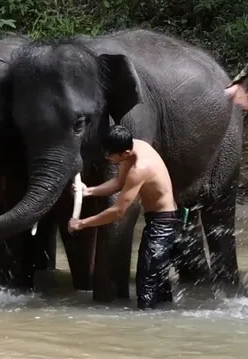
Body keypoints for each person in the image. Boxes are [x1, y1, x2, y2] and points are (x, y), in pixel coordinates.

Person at [68, 125, 180, 310]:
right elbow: (119, 182)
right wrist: (89, 191)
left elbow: (118, 212)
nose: (107, 158)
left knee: (146, 285)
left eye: (110, 156)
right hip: (159, 221)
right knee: (158, 283)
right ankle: (165, 317)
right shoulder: (135, 147)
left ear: (125, 153)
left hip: (164, 226)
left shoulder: (140, 169)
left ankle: (148, 321)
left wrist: (81, 223)